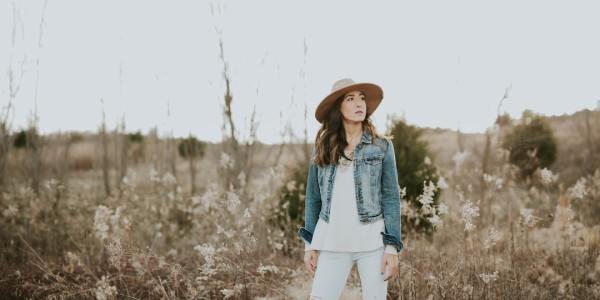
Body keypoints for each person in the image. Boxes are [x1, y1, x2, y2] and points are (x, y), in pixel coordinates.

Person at [298, 78, 405, 299]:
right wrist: (310, 244)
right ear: (338, 107)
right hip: (332, 242)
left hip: (373, 244)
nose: (359, 103)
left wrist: (392, 247)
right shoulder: (322, 149)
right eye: (351, 98)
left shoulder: (382, 146)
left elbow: (391, 198)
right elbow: (313, 198)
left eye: (362, 98)